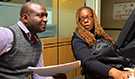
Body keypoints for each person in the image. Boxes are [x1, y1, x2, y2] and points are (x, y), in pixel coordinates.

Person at [0, 2, 67, 79]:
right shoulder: (6, 34)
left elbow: (38, 74)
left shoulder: (38, 42)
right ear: (25, 18)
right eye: (40, 15)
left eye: (46, 16)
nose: (45, 20)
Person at [71, 6, 133, 79]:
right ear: (79, 22)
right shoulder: (78, 40)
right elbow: (88, 61)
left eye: (88, 17)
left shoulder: (101, 35)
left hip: (119, 68)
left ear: (93, 18)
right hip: (99, 75)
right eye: (82, 18)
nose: (85, 21)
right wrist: (115, 73)